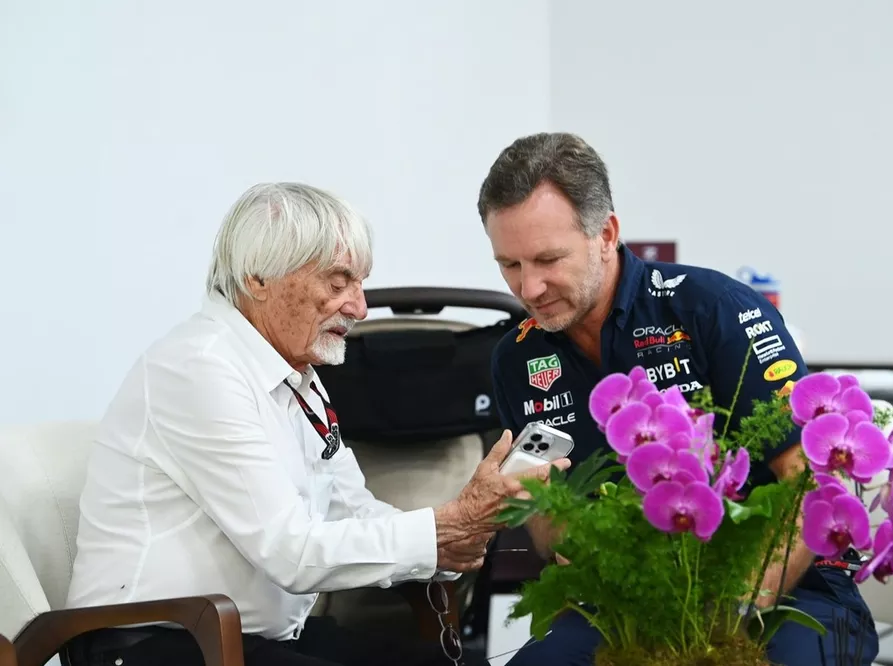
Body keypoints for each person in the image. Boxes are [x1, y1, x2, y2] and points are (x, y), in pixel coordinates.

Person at [64, 182, 570, 666]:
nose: (360, 306)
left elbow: (351, 509)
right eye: (337, 282)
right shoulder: (199, 368)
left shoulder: (295, 374)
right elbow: (291, 551)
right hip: (154, 645)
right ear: (259, 279)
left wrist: (450, 542)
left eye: (360, 284)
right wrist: (444, 526)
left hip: (247, 639)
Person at [477, 133, 879, 666]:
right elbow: (551, 532)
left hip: (787, 591)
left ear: (607, 234)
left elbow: (809, 480)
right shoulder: (517, 360)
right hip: (627, 604)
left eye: (549, 259)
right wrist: (540, 513)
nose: (529, 289)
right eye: (510, 265)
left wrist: (732, 611)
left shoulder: (713, 310)